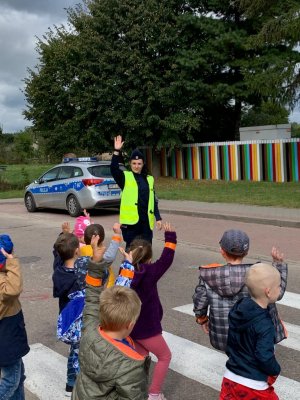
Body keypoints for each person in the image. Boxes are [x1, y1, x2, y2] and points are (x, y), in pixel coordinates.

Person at [72, 235, 150, 400]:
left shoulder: (90, 330)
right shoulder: (130, 364)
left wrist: (96, 263)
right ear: (130, 324)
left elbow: (92, 299)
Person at [192, 229, 288, 351]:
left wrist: (202, 319)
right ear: (246, 252)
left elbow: (200, 302)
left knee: (236, 360)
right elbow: (277, 293)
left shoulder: (208, 274)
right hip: (257, 335)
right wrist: (278, 265)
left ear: (222, 251)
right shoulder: (258, 272)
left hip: (226, 337)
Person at [115, 222, 177, 400]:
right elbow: (167, 259)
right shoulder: (151, 271)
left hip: (130, 326)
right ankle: (154, 393)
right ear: (149, 258)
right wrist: (170, 237)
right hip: (148, 327)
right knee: (165, 356)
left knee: (142, 357)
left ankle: (138, 390)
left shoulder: (125, 272)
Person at [220, 263, 282, 400]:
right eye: (278, 286)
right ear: (268, 291)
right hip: (253, 385)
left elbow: (230, 343)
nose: (280, 288)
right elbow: (264, 356)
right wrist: (276, 369)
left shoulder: (239, 309)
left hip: (230, 378)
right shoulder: (265, 324)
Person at [110, 135, 162, 249]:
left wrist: (158, 218)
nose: (136, 166)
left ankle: (145, 267)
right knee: (131, 253)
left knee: (146, 252)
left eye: (139, 163)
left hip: (146, 224)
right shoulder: (125, 177)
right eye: (134, 163)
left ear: (143, 164)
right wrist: (116, 151)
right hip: (131, 225)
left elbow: (153, 200)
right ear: (130, 164)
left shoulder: (149, 179)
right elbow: (114, 169)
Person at [0, 235, 30, 400]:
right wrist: (12, 261)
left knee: (19, 377)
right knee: (11, 381)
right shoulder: (3, 283)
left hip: (9, 339)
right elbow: (13, 289)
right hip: (6, 341)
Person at [52, 232, 81, 396]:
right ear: (77, 251)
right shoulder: (79, 276)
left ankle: (70, 384)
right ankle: (75, 384)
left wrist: (63, 233)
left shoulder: (58, 271)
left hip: (66, 318)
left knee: (74, 350)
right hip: (78, 321)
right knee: (78, 352)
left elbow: (57, 256)